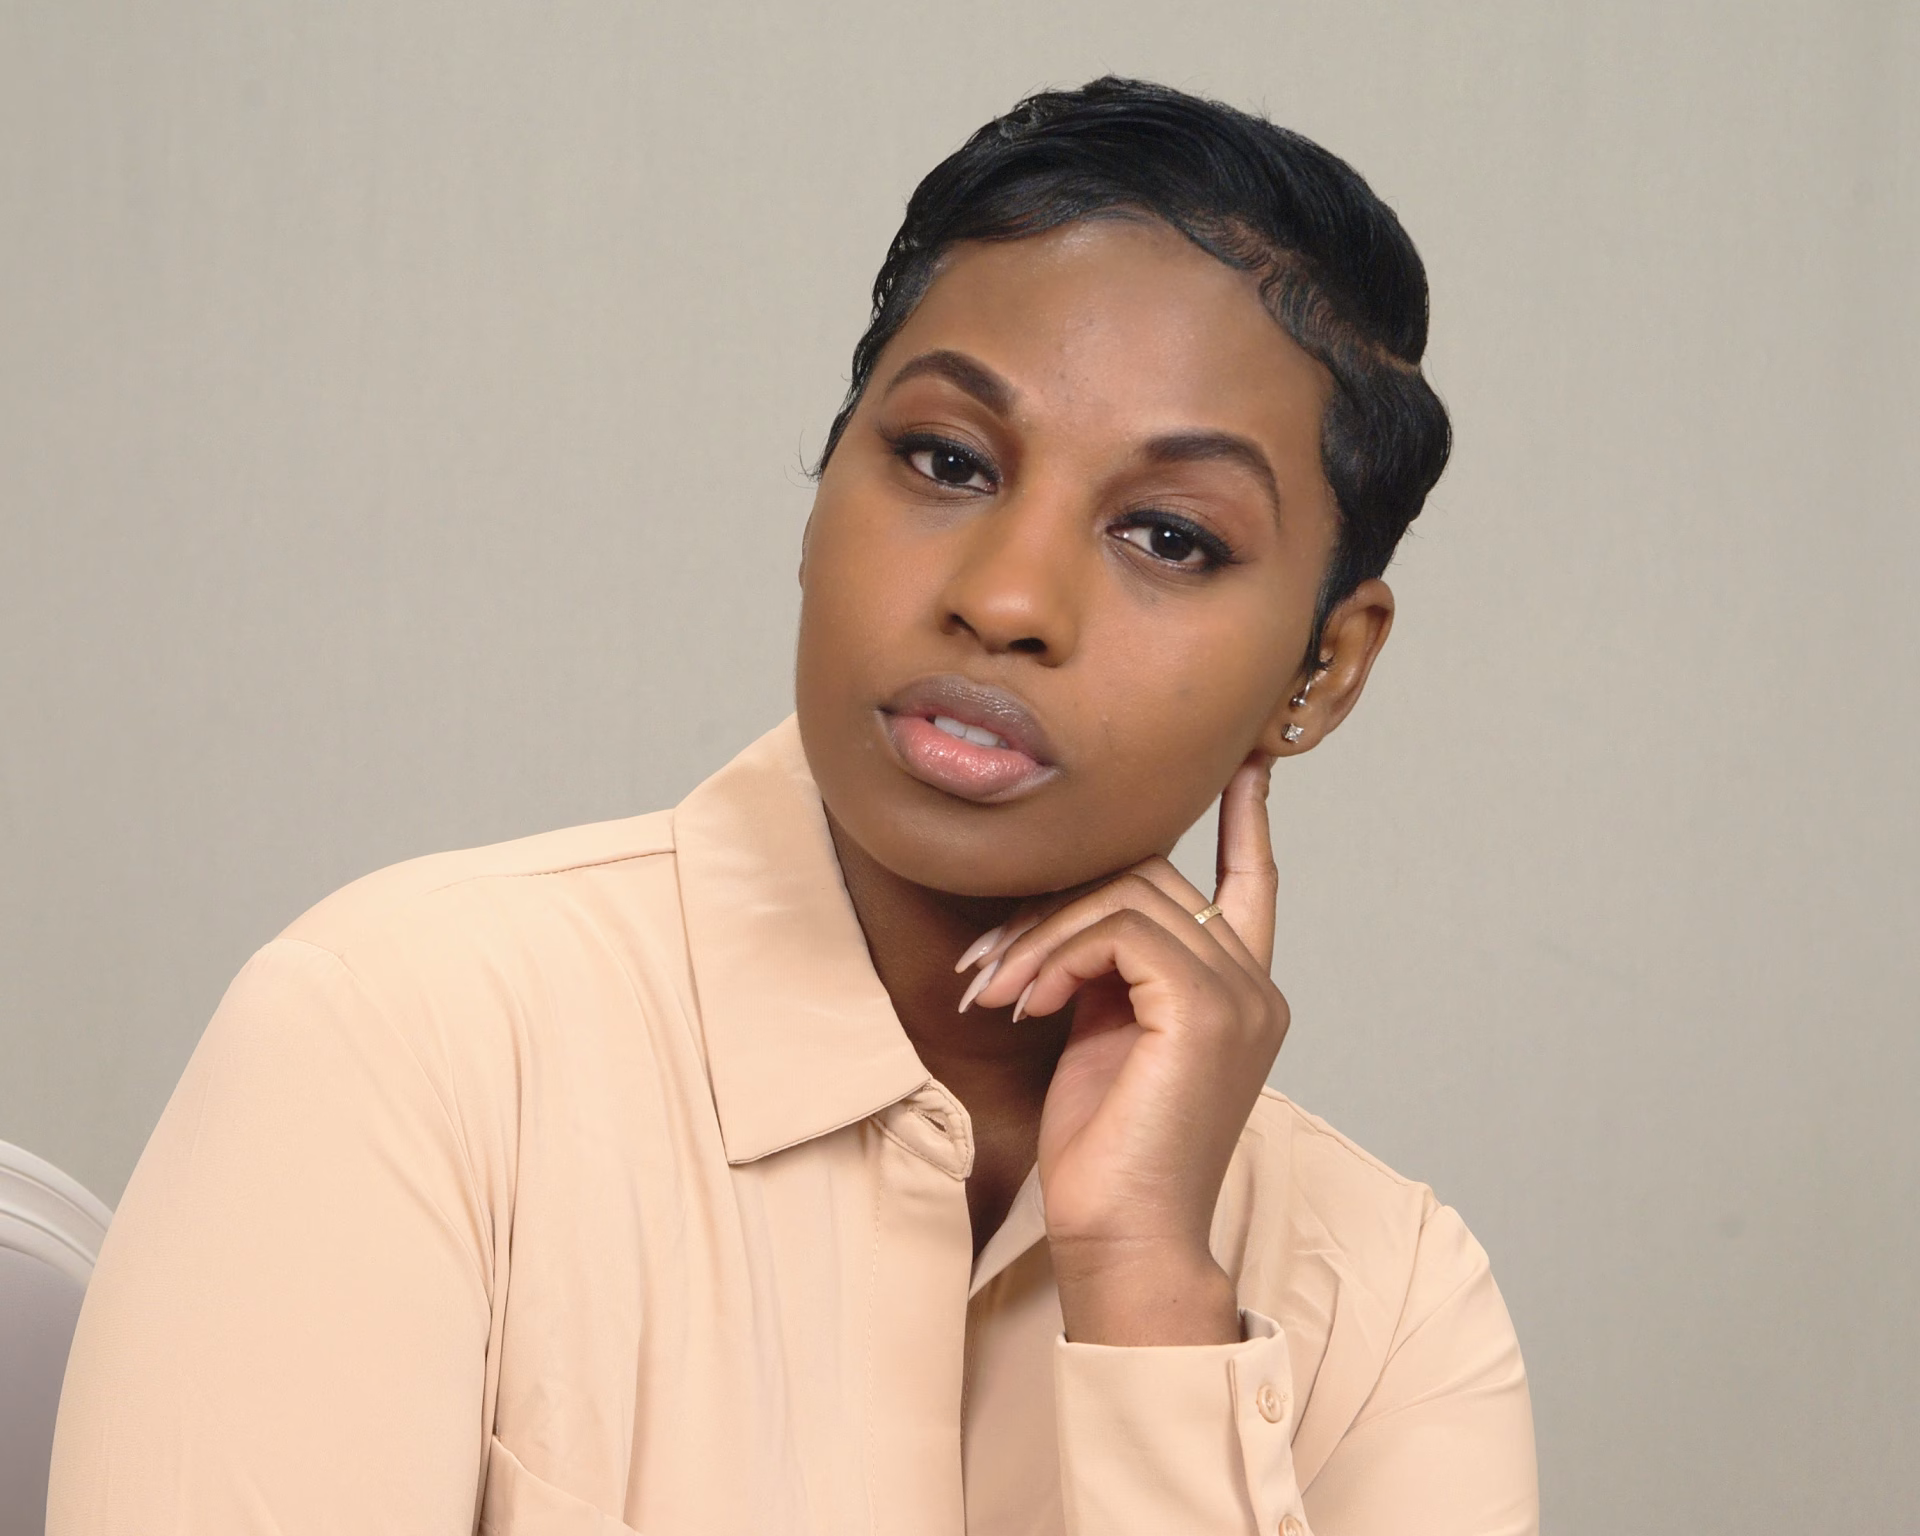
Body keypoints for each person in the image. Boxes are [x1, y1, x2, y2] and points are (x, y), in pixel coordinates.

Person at [49, 77, 1538, 1535]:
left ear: (1324, 670)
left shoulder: (1395, 1303)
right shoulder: (409, 1039)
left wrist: (1150, 1291)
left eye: (1167, 536)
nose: (1006, 598)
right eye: (947, 461)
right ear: (826, 484)